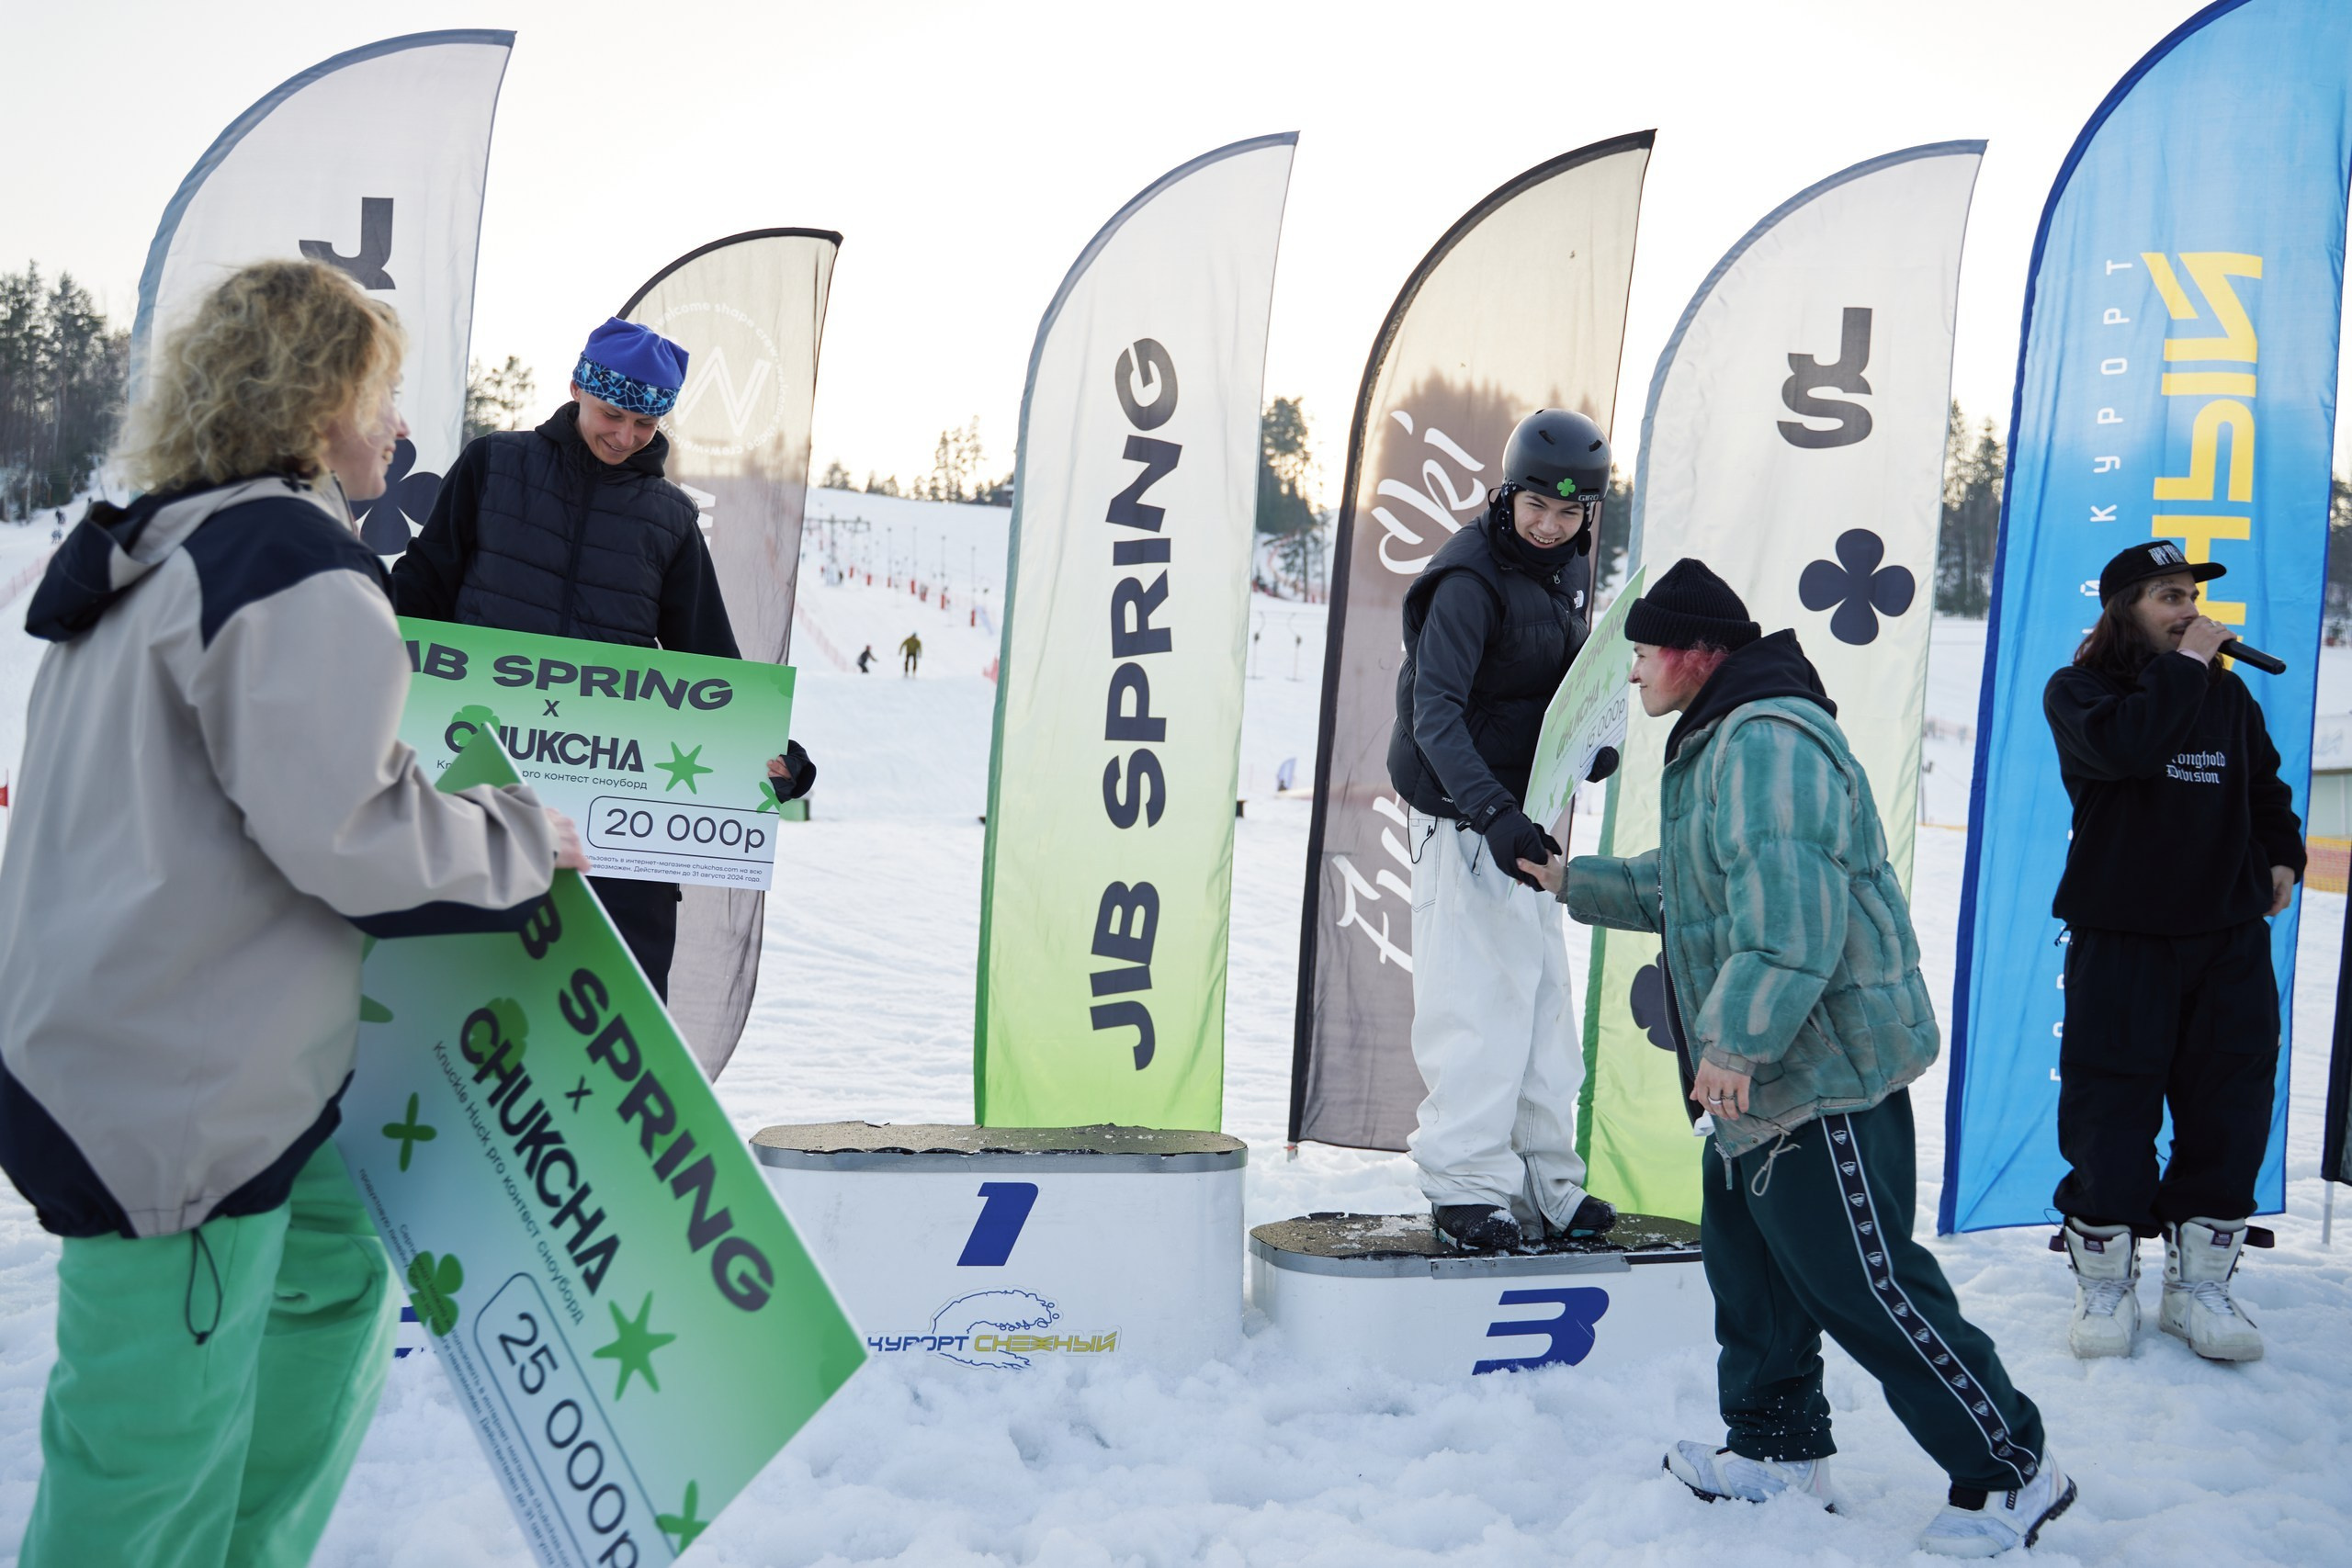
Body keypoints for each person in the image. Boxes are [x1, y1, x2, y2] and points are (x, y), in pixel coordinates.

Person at [0, 259, 586, 1568]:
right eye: (380, 394)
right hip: (172, 1096)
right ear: (318, 399)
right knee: (141, 1461)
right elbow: (352, 833)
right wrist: (514, 839)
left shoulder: (158, 547)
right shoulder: (288, 561)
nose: (396, 428)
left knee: (330, 1265)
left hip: (125, 1041)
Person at [1533, 559, 2068, 1556]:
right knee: (1755, 1272)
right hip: (1763, 1080)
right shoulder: (1722, 738)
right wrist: (1574, 879)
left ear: (1696, 654)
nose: (1634, 672)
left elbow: (1791, 918)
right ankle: (1775, 1450)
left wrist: (1735, 1042)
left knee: (1867, 1283)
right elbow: (1698, 888)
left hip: (1812, 1072)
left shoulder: (1764, 743)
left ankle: (2010, 1468)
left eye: (1644, 653)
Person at [390, 316, 813, 999]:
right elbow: (419, 595)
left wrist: (773, 759)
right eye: (612, 414)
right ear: (578, 390)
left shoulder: (669, 520)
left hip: (606, 839)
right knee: (446, 1005)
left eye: (645, 425)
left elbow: (711, 670)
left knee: (603, 1016)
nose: (624, 437)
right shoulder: (494, 466)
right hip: (474, 795)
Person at [2041, 540, 2300, 1363]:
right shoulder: (2079, 691)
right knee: (2110, 1109)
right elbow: (2128, 749)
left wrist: (2282, 852)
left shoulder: (2228, 699)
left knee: (2230, 1105)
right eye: (2167, 596)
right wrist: (2187, 665)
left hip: (2225, 940)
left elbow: (2265, 788)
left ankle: (2197, 1288)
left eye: (2189, 594)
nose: (2188, 609)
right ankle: (2106, 1285)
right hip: (2123, 938)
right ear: (2124, 610)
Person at [1385, 407, 1619, 1252]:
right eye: (1537, 509)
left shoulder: (1563, 573)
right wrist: (1492, 813)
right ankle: (1466, 1186)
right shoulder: (1468, 582)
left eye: (1570, 514)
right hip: (1465, 819)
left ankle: (1546, 1180)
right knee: (1477, 1004)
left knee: (1544, 1006)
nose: (1551, 527)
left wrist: (1593, 744)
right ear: (1509, 493)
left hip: (1524, 815)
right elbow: (1434, 713)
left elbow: (1567, 682)